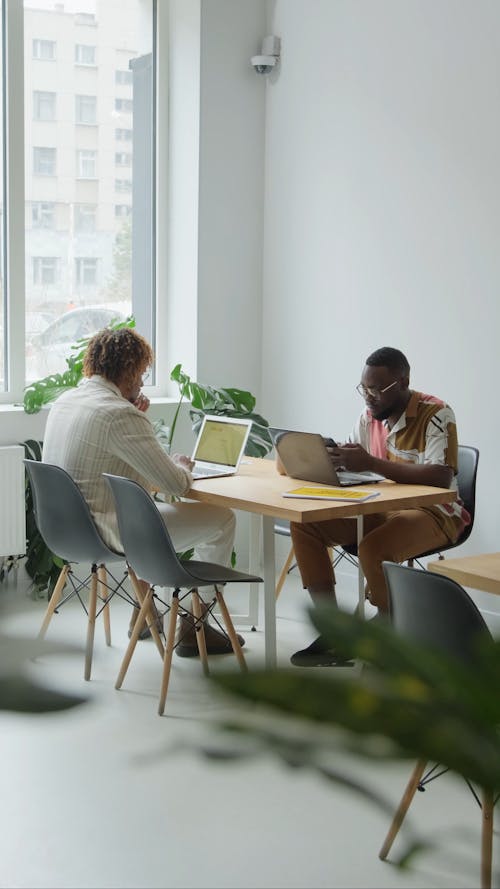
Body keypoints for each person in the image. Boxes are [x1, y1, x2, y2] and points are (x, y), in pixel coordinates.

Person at [42, 326, 243, 657]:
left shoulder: (67, 401)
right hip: (109, 531)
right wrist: (180, 464)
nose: (142, 382)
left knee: (141, 505)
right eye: (142, 373)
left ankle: (145, 610)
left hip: (65, 530)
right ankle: (196, 626)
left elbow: (111, 467)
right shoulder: (118, 414)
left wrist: (136, 416)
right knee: (222, 520)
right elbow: (175, 484)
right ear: (130, 369)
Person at [288, 346, 470, 667]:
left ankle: (388, 629)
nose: (368, 397)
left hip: (437, 512)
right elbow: (360, 467)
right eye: (364, 388)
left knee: (373, 548)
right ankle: (335, 627)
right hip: (380, 508)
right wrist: (334, 460)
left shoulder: (437, 414)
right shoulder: (368, 416)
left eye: (376, 389)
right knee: (306, 526)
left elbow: (441, 477)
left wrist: (371, 462)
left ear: (403, 382)